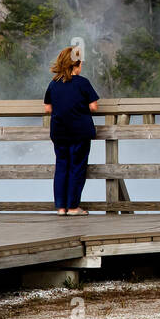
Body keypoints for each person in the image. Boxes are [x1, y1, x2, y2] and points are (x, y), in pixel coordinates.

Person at [43, 46, 99, 215]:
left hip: (59, 132)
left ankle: (61, 207)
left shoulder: (54, 84)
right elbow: (94, 107)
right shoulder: (83, 83)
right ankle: (73, 207)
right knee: (77, 168)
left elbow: (47, 108)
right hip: (80, 132)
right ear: (77, 65)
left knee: (61, 167)